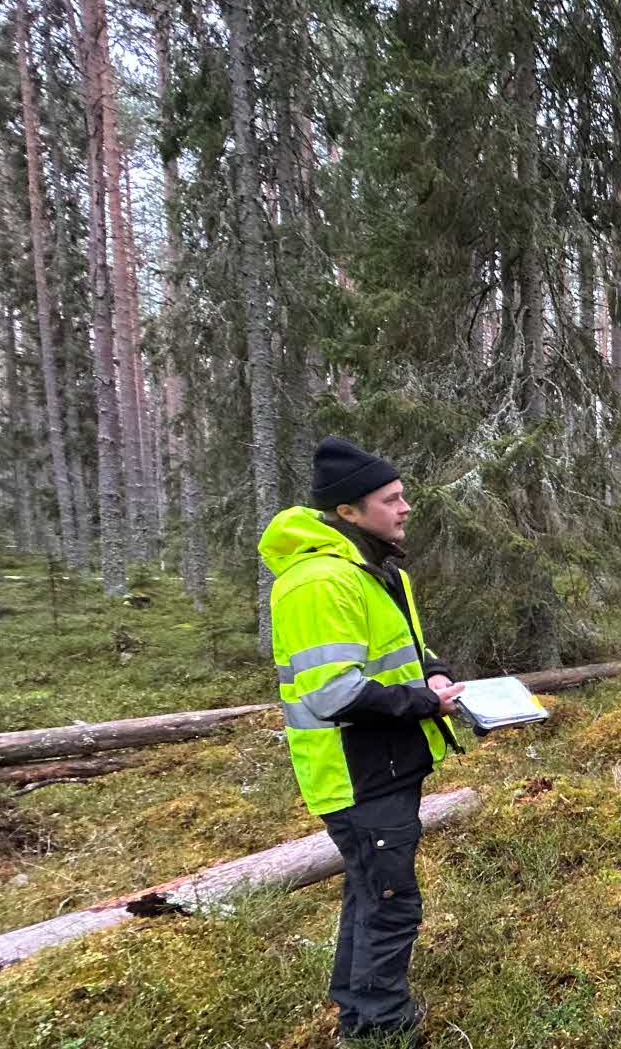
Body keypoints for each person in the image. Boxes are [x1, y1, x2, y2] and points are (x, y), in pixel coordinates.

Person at [258, 436, 466, 1047]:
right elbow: (335, 694)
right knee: (390, 900)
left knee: (371, 889)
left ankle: (358, 1010)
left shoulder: (367, 570)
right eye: (391, 499)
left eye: (403, 496)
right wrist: (427, 702)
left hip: (383, 765)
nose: (405, 508)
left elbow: (396, 651)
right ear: (348, 511)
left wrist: (432, 671)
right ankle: (380, 1028)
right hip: (357, 773)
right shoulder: (322, 583)